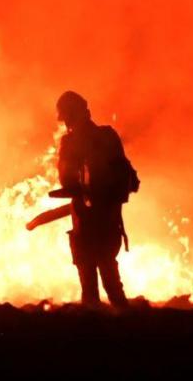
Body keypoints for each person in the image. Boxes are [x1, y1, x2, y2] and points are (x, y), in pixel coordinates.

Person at [54, 90, 134, 307]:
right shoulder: (108, 135)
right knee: (110, 276)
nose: (66, 122)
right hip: (108, 218)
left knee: (90, 285)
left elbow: (65, 179)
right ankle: (125, 323)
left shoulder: (70, 142)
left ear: (70, 116)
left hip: (87, 221)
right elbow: (126, 175)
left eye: (66, 117)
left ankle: (95, 326)